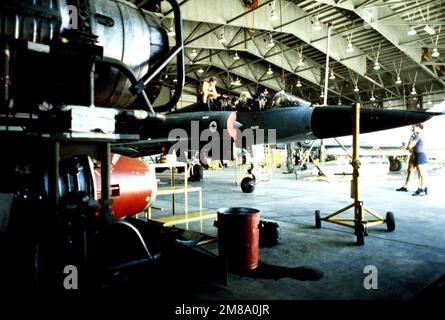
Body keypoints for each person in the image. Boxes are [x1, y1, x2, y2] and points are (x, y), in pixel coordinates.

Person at [396, 124, 428, 196]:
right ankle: (406, 187)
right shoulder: (413, 136)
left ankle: (422, 188)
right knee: (410, 171)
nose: (412, 129)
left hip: (420, 154)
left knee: (421, 173)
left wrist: (406, 146)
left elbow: (410, 146)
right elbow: (410, 148)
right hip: (414, 154)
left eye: (413, 127)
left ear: (418, 127)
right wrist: (407, 147)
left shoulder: (419, 135)